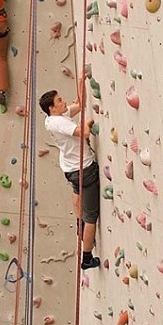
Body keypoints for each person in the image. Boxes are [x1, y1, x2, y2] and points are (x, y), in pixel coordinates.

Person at [39, 76, 100, 270]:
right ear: (52, 108)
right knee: (92, 216)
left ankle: (79, 225)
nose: (63, 101)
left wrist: (82, 83)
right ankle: (87, 258)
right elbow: (84, 133)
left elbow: (79, 104)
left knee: (77, 194)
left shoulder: (53, 119)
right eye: (59, 101)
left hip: (71, 168)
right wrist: (89, 123)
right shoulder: (60, 123)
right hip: (84, 169)